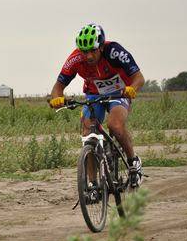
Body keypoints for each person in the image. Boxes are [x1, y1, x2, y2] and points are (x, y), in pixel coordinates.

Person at [48, 23, 145, 186]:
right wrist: (57, 99)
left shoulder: (114, 51)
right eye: (84, 52)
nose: (89, 56)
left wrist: (132, 89)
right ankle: (93, 184)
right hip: (93, 94)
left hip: (119, 92)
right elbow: (57, 87)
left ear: (100, 47)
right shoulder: (75, 59)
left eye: (93, 50)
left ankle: (133, 162)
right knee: (88, 133)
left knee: (115, 125)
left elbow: (139, 78)